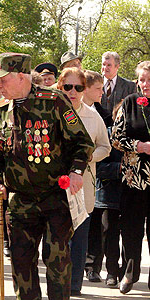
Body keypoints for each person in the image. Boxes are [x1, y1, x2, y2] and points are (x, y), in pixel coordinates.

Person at [0, 52, 94, 300]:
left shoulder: (54, 101)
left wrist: (76, 171)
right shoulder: (2, 109)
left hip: (54, 197)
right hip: (20, 201)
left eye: (4, 80)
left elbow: (82, 142)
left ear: (22, 76)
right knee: (22, 263)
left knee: (57, 263)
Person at [57, 67, 111, 296]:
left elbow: (105, 147)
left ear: (84, 89)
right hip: (54, 186)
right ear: (60, 87)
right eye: (67, 87)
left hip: (83, 187)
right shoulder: (50, 112)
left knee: (79, 240)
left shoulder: (92, 115)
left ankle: (75, 285)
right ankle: (58, 283)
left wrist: (87, 157)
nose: (73, 92)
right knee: (57, 240)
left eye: (78, 87)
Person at [111, 60, 150, 294]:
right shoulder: (130, 103)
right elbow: (116, 137)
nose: (145, 84)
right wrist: (139, 146)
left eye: (149, 80)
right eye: (142, 80)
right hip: (134, 179)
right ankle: (130, 273)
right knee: (131, 229)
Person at [86, 99, 124, 287]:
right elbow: (99, 167)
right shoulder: (108, 136)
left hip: (130, 195)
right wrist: (121, 169)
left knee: (125, 236)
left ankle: (121, 271)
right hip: (107, 194)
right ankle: (104, 270)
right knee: (105, 233)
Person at [100, 51, 136, 123]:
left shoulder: (129, 86)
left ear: (117, 66)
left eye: (109, 65)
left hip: (120, 129)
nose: (105, 68)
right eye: (103, 64)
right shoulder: (93, 84)